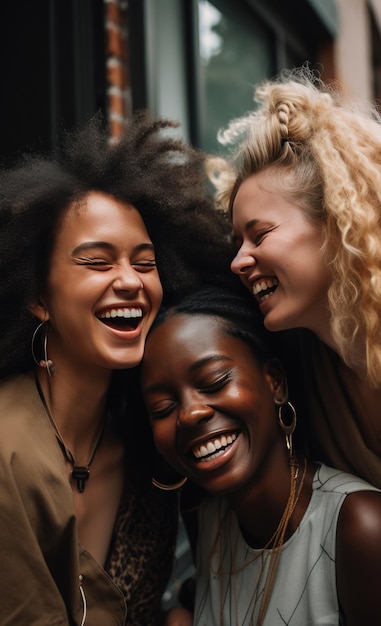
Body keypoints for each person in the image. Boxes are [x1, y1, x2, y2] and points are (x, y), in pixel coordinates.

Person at [0, 110, 234, 625]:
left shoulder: (149, 452)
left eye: (145, 263)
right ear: (38, 296)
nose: (130, 281)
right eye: (97, 262)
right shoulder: (6, 445)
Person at [205, 66, 381, 567]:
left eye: (260, 234)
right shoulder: (302, 373)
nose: (239, 261)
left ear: (341, 225)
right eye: (236, 243)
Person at [140, 285, 381, 625]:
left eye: (214, 381)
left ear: (275, 383)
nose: (189, 414)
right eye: (162, 407)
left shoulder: (359, 525)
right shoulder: (207, 517)